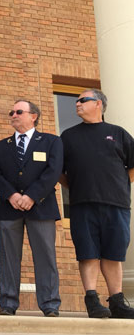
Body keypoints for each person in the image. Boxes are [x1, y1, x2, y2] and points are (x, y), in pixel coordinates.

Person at [60, 89, 134, 319]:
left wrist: (118, 184)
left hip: (116, 204)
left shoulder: (118, 133)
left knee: (114, 254)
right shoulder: (68, 136)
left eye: (83, 100)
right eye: (76, 101)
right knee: (88, 253)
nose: (77, 104)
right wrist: (77, 186)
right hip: (82, 204)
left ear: (98, 104)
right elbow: (58, 172)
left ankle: (117, 302)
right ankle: (92, 300)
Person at [0, 99, 62, 317]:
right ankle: (8, 303)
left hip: (41, 208)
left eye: (18, 111)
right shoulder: (1, 146)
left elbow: (53, 172)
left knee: (45, 256)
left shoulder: (51, 142)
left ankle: (49, 303)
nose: (13, 115)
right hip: (9, 208)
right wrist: (12, 195)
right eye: (11, 112)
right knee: (9, 257)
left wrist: (31, 196)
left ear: (34, 116)